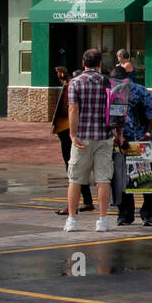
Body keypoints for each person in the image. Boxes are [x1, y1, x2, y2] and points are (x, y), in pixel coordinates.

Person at [65, 48, 114, 231]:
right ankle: (102, 219)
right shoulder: (107, 82)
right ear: (100, 63)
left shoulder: (75, 83)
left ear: (83, 63)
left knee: (75, 178)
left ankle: (71, 219)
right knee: (103, 179)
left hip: (83, 137)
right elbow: (115, 108)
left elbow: (73, 109)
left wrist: (72, 134)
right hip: (104, 136)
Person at [110, 65, 152, 226]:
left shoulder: (139, 91)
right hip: (121, 142)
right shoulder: (111, 93)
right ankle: (125, 214)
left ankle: (149, 215)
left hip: (140, 140)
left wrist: (146, 134)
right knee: (120, 179)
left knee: (145, 178)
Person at [52, 66, 94, 213]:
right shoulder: (71, 87)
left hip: (72, 134)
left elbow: (72, 110)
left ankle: (73, 206)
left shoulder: (74, 90)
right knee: (77, 168)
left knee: (74, 169)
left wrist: (67, 78)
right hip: (66, 133)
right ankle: (87, 201)